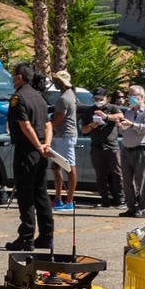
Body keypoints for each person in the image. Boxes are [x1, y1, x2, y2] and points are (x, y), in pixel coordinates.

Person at [5, 61, 53, 249]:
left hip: (27, 150)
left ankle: (26, 237)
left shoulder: (18, 98)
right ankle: (47, 235)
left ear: (19, 77)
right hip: (41, 151)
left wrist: (37, 145)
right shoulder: (39, 98)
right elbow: (48, 125)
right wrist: (45, 144)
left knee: (25, 195)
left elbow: (25, 126)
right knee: (41, 193)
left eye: (13, 75)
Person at [116, 84, 145, 217]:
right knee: (127, 181)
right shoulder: (128, 111)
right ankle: (131, 206)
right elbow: (123, 130)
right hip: (127, 149)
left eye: (134, 95)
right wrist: (121, 126)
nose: (131, 98)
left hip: (140, 150)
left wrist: (132, 124)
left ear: (141, 97)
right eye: (130, 95)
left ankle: (143, 207)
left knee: (142, 181)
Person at [81, 87, 124, 206]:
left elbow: (120, 116)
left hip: (111, 147)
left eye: (100, 98)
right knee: (100, 175)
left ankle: (120, 199)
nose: (98, 101)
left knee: (117, 174)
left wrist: (106, 116)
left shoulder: (112, 108)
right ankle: (104, 200)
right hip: (97, 147)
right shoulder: (90, 111)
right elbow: (84, 130)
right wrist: (91, 126)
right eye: (95, 98)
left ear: (106, 98)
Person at [49, 68, 79, 211]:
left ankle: (69, 200)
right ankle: (58, 199)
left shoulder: (64, 98)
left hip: (65, 136)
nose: (54, 82)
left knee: (69, 167)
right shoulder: (69, 95)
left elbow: (58, 120)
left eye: (56, 80)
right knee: (56, 166)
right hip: (61, 135)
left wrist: (47, 125)